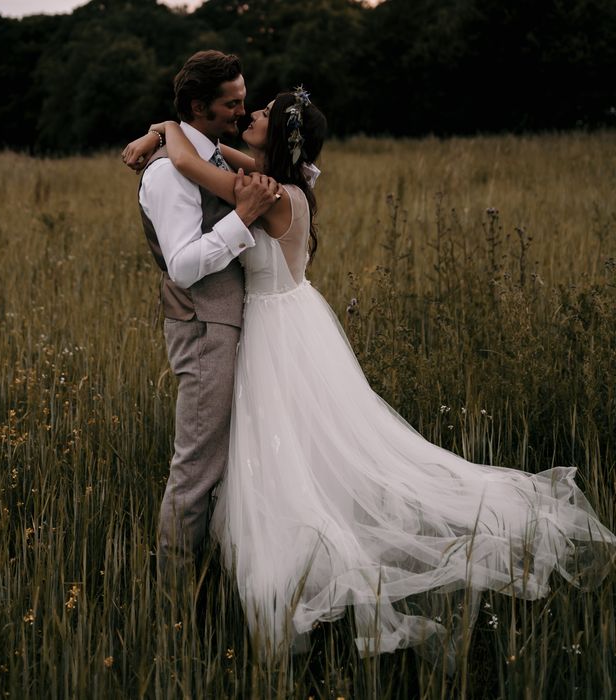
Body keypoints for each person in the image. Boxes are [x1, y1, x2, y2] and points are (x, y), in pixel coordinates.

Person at [123, 87, 616, 660]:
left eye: (258, 115)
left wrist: (162, 128)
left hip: (270, 329)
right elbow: (215, 154)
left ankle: (290, 585)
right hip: (297, 319)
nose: (248, 115)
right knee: (303, 452)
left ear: (277, 136)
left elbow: (188, 161)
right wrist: (163, 131)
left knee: (278, 459)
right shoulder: (288, 182)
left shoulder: (262, 191)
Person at [128, 50, 281, 578]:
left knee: (226, 461)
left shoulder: (210, 154)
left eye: (244, 102)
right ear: (199, 106)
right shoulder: (169, 173)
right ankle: (173, 605)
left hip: (229, 325)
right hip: (203, 328)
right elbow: (185, 265)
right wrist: (242, 218)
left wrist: (162, 126)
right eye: (231, 104)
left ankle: (217, 575)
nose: (242, 112)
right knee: (196, 468)